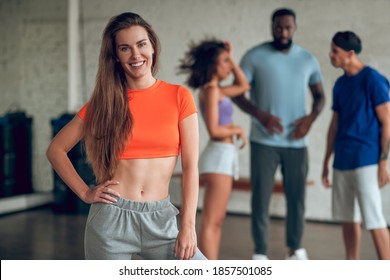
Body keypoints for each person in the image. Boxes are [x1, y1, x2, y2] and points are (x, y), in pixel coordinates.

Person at [46, 12, 206, 260]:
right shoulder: (104, 103)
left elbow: (191, 168)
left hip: (161, 219)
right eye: (125, 48)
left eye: (141, 44)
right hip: (111, 219)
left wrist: (188, 225)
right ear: (116, 57)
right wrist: (85, 192)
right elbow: (56, 150)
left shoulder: (179, 97)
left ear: (152, 47)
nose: (135, 55)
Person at [232, 8, 325, 260]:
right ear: (272, 27)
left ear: (295, 27)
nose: (283, 32)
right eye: (278, 28)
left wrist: (309, 120)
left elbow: (320, 97)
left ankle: (295, 249)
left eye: (288, 28)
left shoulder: (308, 59)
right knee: (260, 199)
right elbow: (237, 93)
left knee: (297, 198)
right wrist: (260, 115)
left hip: (297, 142)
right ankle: (260, 251)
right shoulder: (254, 57)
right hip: (263, 141)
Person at [178, 39, 249, 259]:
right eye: (225, 62)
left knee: (216, 220)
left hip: (223, 157)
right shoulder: (210, 91)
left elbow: (244, 85)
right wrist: (236, 129)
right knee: (211, 221)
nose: (229, 66)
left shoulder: (217, 89)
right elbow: (214, 130)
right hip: (218, 156)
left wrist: (231, 56)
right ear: (212, 65)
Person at [322, 31, 390, 260]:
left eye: (335, 51)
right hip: (342, 159)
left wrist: (383, 162)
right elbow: (334, 125)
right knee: (348, 217)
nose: (330, 55)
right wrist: (325, 161)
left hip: (367, 159)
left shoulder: (373, 80)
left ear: (350, 54)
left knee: (374, 218)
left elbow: (387, 122)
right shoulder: (340, 85)